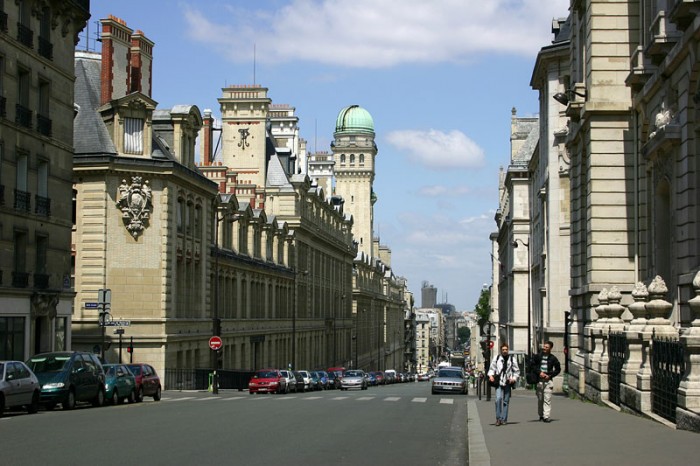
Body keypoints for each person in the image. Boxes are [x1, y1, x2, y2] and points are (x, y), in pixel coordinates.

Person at [487, 343, 520, 426]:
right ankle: (498, 418)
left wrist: (514, 379)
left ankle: (504, 418)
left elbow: (516, 371)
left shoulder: (512, 359)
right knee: (498, 399)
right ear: (501, 350)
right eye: (503, 350)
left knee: (506, 401)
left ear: (508, 350)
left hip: (508, 382)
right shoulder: (497, 358)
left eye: (506, 349)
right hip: (499, 381)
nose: (505, 351)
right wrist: (491, 376)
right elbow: (492, 368)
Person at [530, 340, 561, 423]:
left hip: (548, 380)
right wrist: (539, 372)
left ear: (550, 348)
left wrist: (550, 375)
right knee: (540, 399)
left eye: (546, 347)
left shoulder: (553, 358)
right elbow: (532, 365)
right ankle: (541, 415)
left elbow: (558, 369)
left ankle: (546, 416)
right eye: (544, 346)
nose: (544, 348)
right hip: (539, 381)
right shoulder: (537, 357)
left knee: (547, 399)